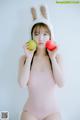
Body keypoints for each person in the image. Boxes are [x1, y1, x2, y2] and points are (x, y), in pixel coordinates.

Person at [18, 5, 64, 120]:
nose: (40, 38)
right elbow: (22, 84)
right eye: (36, 34)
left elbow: (61, 83)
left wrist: (52, 58)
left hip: (52, 112)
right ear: (31, 37)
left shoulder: (57, 58)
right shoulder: (23, 58)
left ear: (50, 37)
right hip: (30, 112)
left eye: (45, 34)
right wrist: (29, 58)